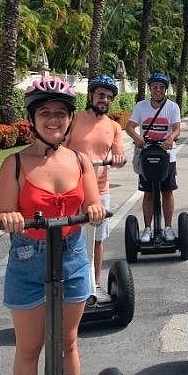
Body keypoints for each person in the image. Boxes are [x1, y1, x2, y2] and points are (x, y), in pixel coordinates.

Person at [0, 77, 106, 375]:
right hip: (29, 256)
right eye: (45, 113)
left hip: (73, 253)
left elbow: (93, 203)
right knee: (30, 347)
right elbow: (5, 210)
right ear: (32, 118)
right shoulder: (13, 165)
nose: (54, 120)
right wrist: (10, 217)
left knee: (68, 341)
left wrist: (94, 210)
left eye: (61, 113)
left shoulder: (79, 160)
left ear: (70, 119)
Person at [67, 74, 126, 303]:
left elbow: (118, 150)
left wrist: (118, 157)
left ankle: (94, 283)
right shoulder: (74, 120)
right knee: (69, 238)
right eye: (101, 95)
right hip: (72, 189)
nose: (104, 99)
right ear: (91, 95)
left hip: (100, 190)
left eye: (109, 97)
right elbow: (60, 147)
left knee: (98, 240)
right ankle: (71, 284)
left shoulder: (113, 126)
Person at [127, 71, 182, 244]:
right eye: (154, 87)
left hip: (167, 156)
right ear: (150, 89)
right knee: (148, 194)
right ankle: (148, 228)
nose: (157, 90)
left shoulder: (172, 107)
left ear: (165, 89)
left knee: (167, 192)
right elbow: (129, 127)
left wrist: (170, 138)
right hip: (147, 155)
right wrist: (137, 138)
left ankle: (167, 227)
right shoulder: (141, 106)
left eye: (161, 87)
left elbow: (177, 128)